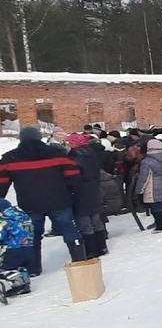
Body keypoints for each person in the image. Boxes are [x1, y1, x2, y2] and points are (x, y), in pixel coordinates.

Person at [0, 126, 84, 274]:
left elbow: (2, 183)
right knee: (70, 231)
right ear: (40, 137)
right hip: (60, 200)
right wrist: (72, 193)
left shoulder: (9, 159)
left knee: (32, 236)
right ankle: (81, 261)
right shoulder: (58, 154)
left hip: (30, 203)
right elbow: (73, 175)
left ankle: (33, 269)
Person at [66, 132, 109, 256]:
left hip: (80, 191)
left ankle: (91, 250)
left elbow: (73, 178)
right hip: (94, 189)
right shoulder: (92, 154)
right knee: (96, 220)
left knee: (85, 223)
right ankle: (102, 246)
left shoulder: (73, 158)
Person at [135, 138, 162, 233]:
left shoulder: (147, 162)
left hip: (152, 188)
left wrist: (139, 190)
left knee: (155, 207)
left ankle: (160, 226)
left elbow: (143, 178)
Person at [0, 197, 33, 296]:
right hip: (28, 246)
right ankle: (24, 283)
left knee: (4, 267)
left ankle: (19, 285)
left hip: (13, 248)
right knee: (19, 266)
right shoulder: (21, 216)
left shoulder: (3, 220)